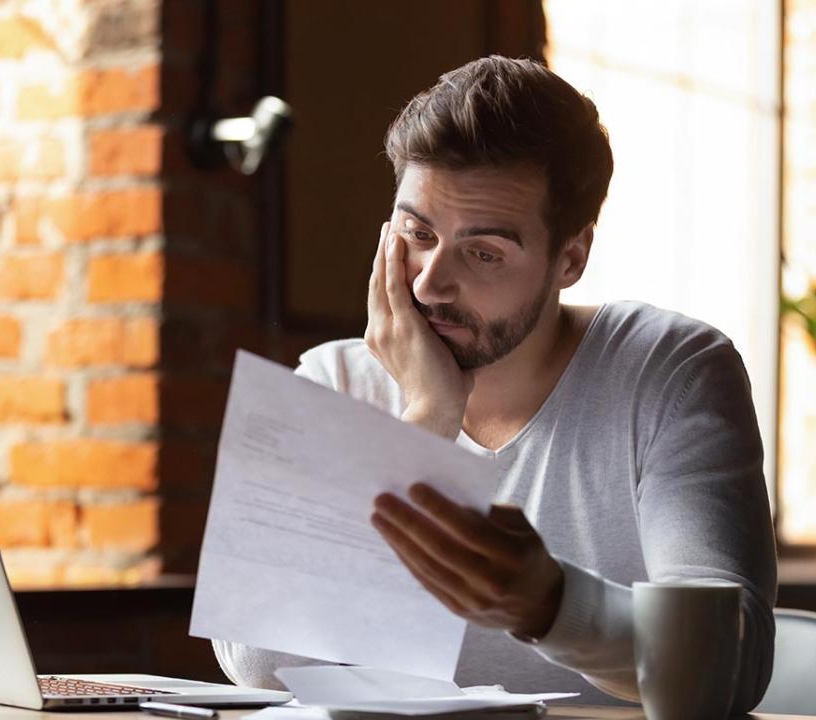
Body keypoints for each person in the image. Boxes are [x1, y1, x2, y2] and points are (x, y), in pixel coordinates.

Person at [212, 55, 776, 710]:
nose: (427, 283)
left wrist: (550, 606)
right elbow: (257, 660)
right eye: (417, 233)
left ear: (571, 258)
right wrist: (424, 420)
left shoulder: (671, 369)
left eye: (483, 252)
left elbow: (731, 661)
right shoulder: (332, 379)